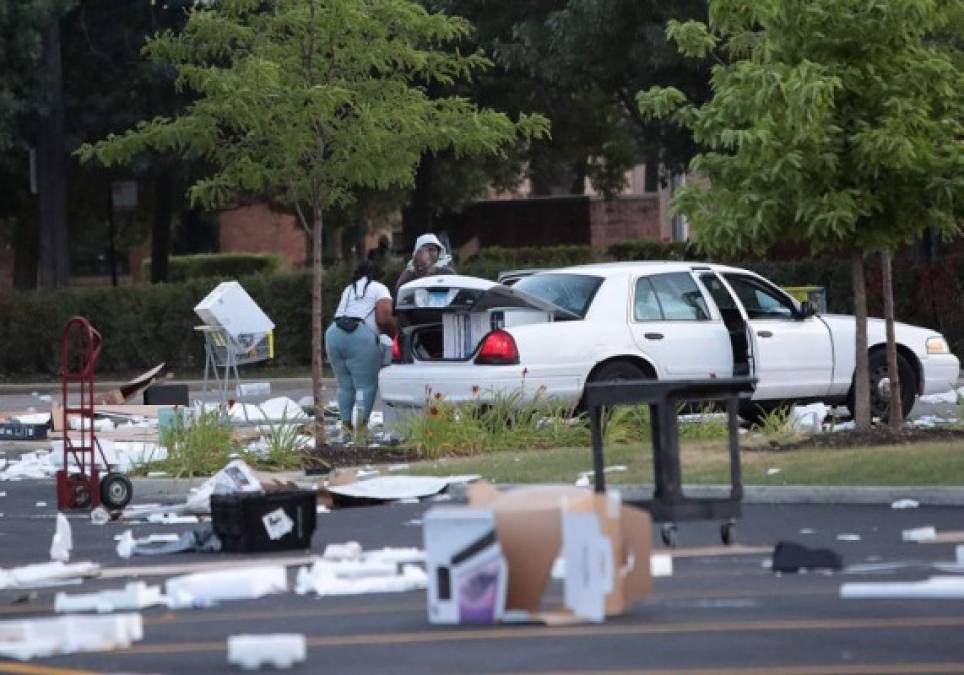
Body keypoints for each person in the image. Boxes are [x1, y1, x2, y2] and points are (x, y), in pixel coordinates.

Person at [325, 260, 396, 438]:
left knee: (345, 385)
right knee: (366, 386)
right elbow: (384, 318)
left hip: (333, 333)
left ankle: (346, 426)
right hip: (360, 335)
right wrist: (394, 334)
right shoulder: (380, 288)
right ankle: (362, 428)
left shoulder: (348, 289)